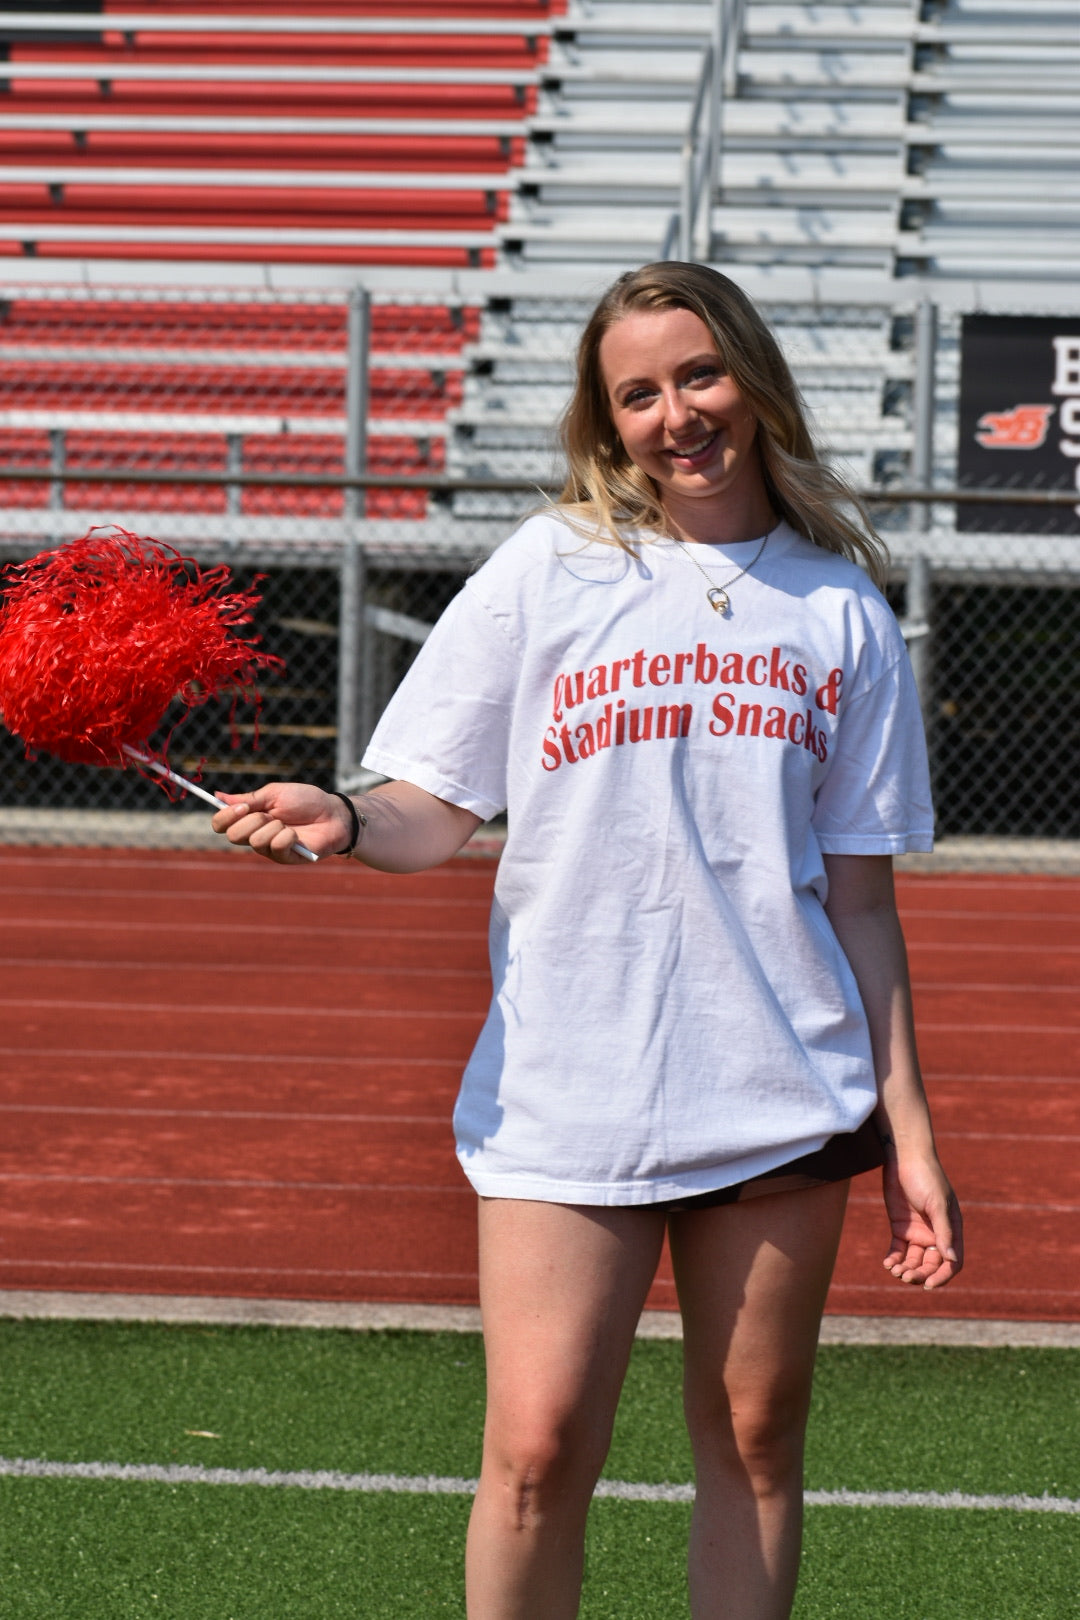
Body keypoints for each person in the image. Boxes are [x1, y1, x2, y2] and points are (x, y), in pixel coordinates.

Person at [212, 262, 963, 1620]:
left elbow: (861, 903)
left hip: (782, 1085)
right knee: (537, 1449)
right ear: (605, 420)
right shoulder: (551, 568)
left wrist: (908, 1131)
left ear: (752, 377)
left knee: (754, 1440)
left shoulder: (841, 609)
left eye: (699, 373)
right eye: (640, 392)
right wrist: (342, 810)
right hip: (571, 1077)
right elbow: (431, 811)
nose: (678, 412)